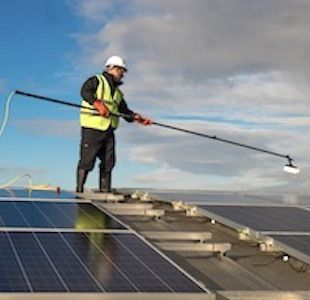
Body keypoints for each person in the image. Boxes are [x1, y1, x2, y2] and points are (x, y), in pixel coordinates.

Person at [76, 55, 152, 193]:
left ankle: (105, 191)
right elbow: (85, 92)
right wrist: (97, 104)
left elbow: (123, 111)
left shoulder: (118, 93)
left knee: (108, 162)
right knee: (87, 160)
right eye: (121, 70)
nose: (122, 74)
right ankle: (79, 191)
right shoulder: (96, 81)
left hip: (109, 130)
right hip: (92, 128)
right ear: (112, 68)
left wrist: (137, 118)